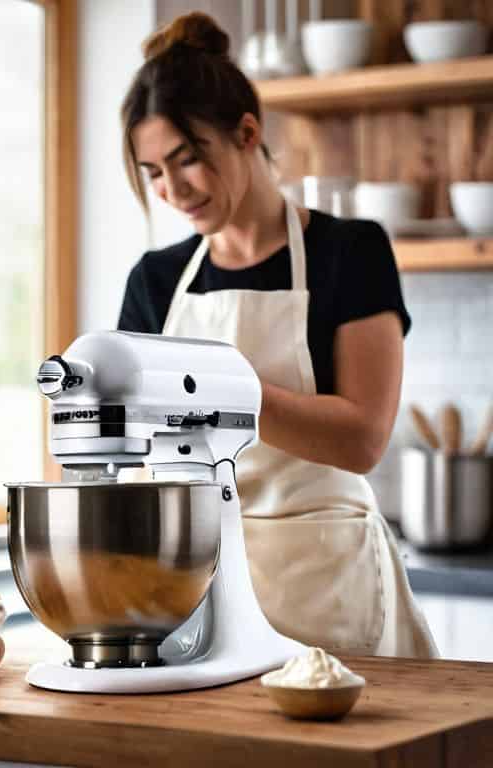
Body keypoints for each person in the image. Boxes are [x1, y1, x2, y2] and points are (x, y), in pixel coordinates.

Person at [117, 12, 437, 658]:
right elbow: (132, 449)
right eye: (153, 172)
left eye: (188, 159)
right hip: (196, 593)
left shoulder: (350, 252)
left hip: (329, 588)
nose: (173, 190)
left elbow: (363, 437)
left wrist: (222, 394)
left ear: (247, 133)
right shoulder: (155, 281)